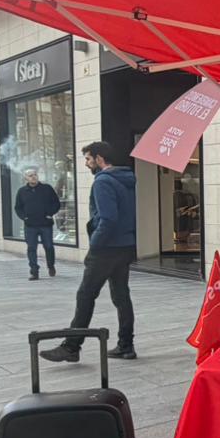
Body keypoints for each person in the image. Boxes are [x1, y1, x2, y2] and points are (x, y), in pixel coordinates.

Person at [40, 142, 138, 362]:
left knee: (86, 295)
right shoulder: (127, 179)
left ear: (99, 158)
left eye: (88, 159)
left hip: (106, 249)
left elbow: (108, 219)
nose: (86, 164)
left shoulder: (103, 181)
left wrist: (95, 245)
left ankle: (72, 346)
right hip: (125, 246)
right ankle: (126, 345)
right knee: (121, 296)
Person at [14, 168, 61, 281]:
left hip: (45, 224)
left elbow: (56, 203)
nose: (33, 177)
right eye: (30, 175)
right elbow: (18, 207)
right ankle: (34, 271)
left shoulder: (47, 188)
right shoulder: (22, 191)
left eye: (35, 174)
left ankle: (50, 265)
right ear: (26, 178)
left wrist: (50, 213)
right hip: (30, 225)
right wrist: (24, 217)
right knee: (31, 248)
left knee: (49, 247)